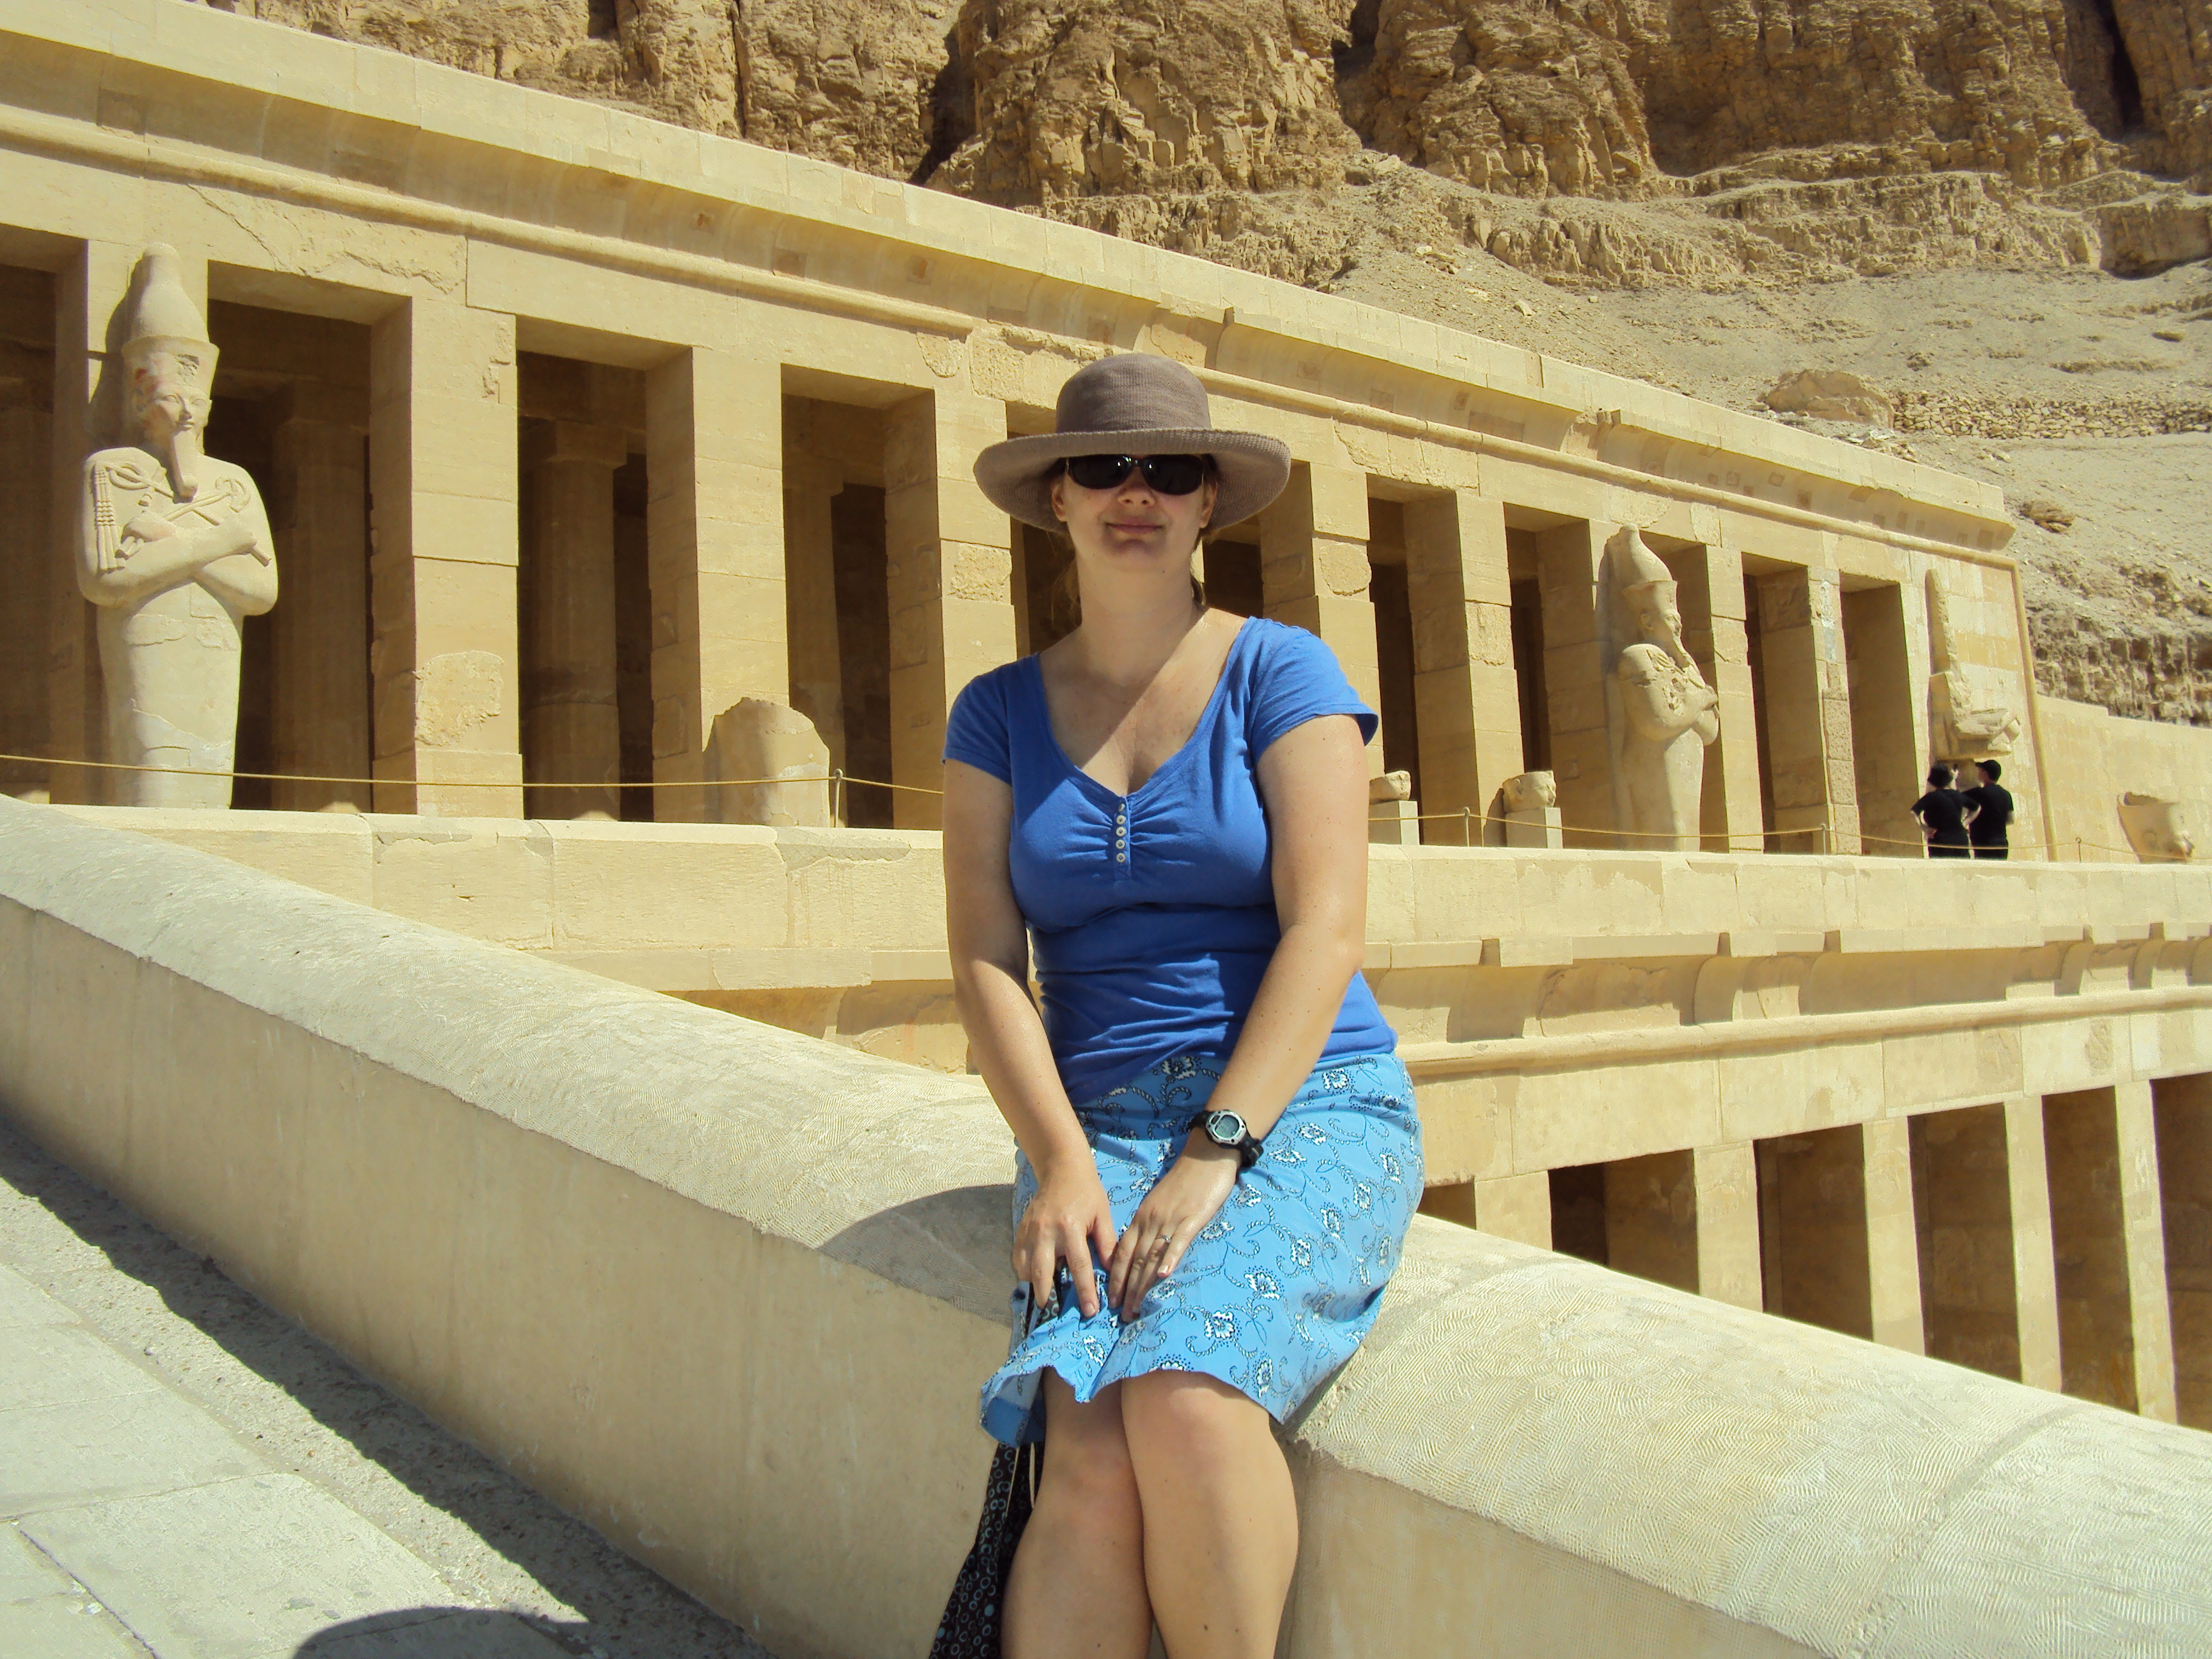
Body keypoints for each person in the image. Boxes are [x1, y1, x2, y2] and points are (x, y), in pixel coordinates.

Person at [940, 354, 1423, 1659]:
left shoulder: (1283, 670)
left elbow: (1327, 930)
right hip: (1101, 1123)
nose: (1135, 494)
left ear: (1212, 501)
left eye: (1170, 470)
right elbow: (987, 956)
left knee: (1189, 1396)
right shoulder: (995, 712)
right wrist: (1055, 1160)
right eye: (1102, 468)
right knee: (1086, 1448)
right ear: (1058, 502)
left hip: (1300, 1101)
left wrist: (1219, 1149)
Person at [1913, 763, 1972, 859]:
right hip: (1960, 839)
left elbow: (1914, 812)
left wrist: (1923, 828)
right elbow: (1976, 808)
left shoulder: (1931, 797)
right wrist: (1965, 822)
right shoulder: (1957, 795)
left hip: (1940, 840)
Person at [1963, 758, 2014, 860]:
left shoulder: (1978, 793)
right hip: (2001, 842)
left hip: (1983, 842)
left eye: (1980, 771)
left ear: (1985, 774)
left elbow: (1954, 797)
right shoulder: (2006, 794)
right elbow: (2011, 820)